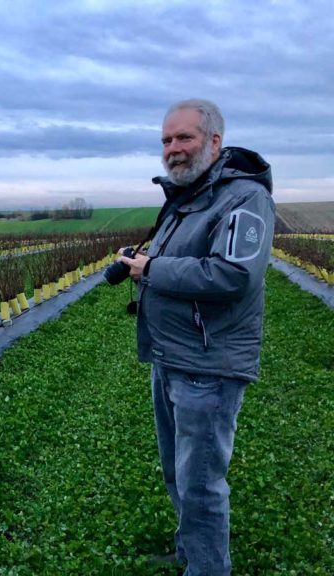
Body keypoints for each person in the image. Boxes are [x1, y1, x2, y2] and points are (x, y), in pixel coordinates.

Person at [118, 99, 275, 575]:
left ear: (213, 142)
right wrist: (141, 262)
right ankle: (193, 552)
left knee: (202, 482)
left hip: (208, 366)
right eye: (166, 140)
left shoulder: (245, 198)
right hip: (171, 357)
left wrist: (153, 268)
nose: (173, 149)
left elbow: (232, 276)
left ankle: (208, 569)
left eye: (184, 138)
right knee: (177, 473)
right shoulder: (186, 196)